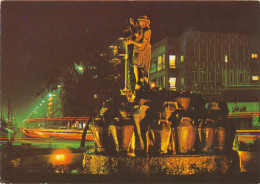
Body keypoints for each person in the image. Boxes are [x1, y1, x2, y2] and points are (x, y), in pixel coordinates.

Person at [126, 16, 151, 91]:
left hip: (144, 52)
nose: (140, 23)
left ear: (145, 22)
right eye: (139, 22)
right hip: (137, 51)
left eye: (141, 22)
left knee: (144, 70)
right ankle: (138, 83)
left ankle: (144, 83)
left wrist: (132, 42)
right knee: (135, 66)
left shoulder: (147, 31)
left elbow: (143, 45)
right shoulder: (141, 30)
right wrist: (133, 24)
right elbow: (137, 34)